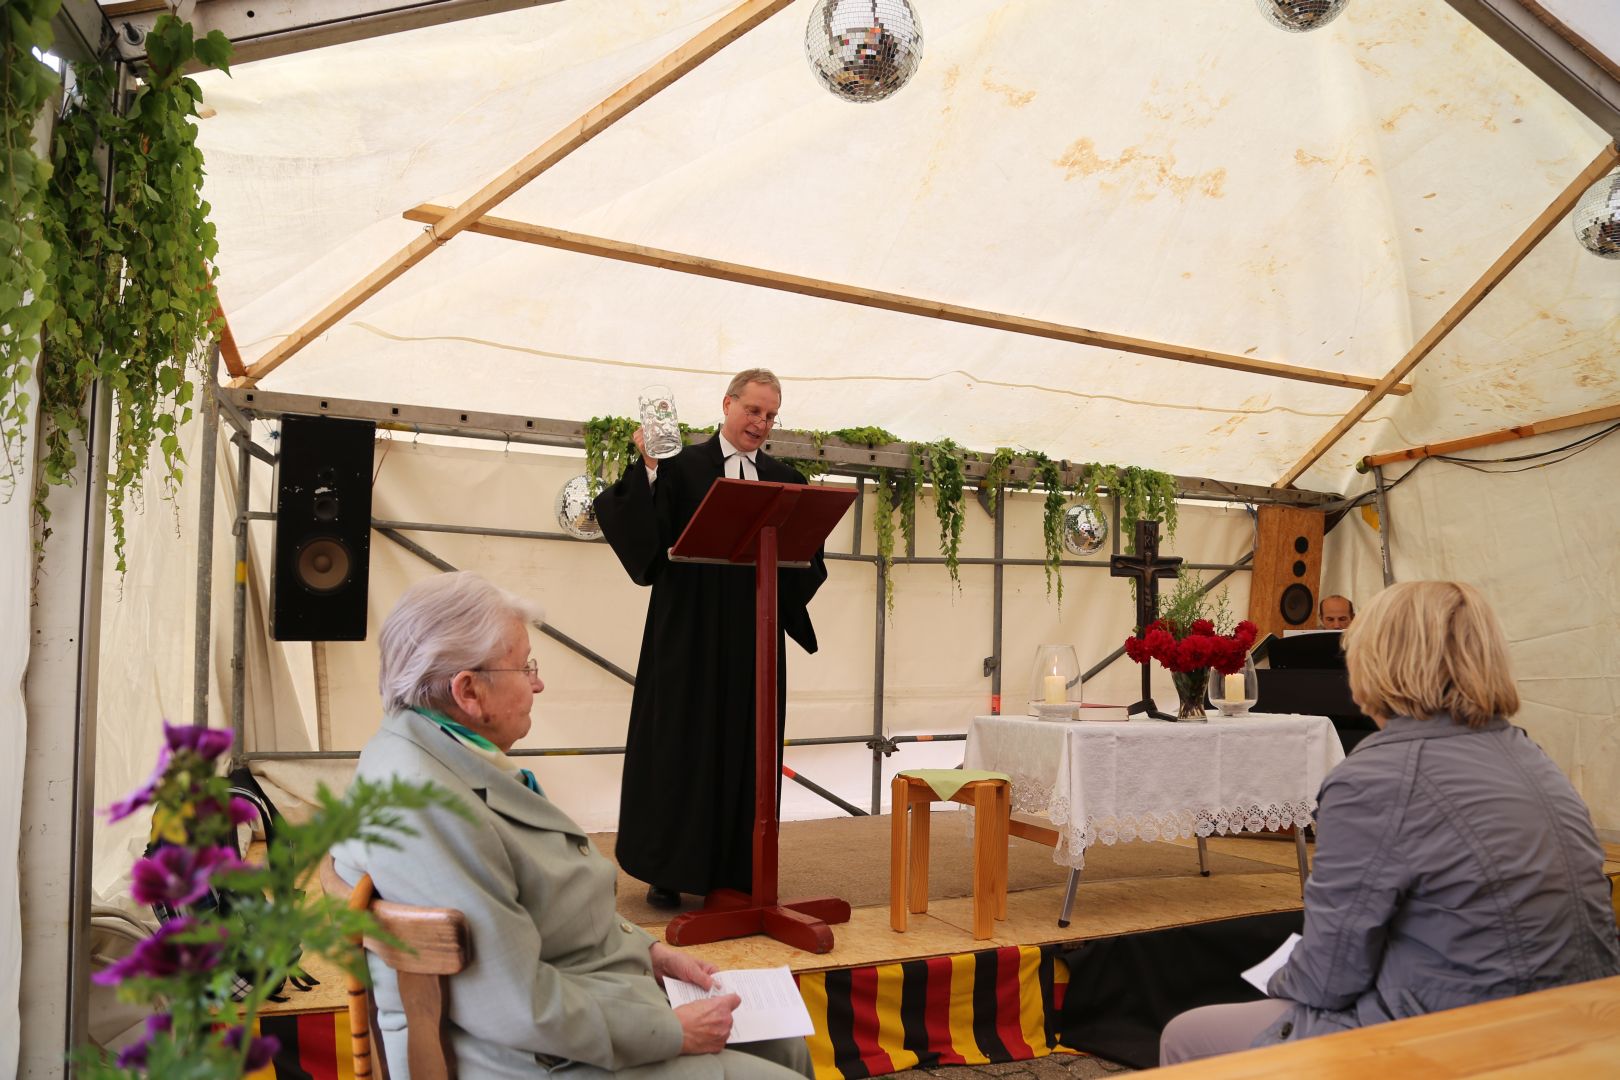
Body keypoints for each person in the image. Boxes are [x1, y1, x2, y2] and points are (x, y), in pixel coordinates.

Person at [333, 572, 814, 1079]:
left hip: (571, 1003)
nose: (537, 682)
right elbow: (512, 1003)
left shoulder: (439, 750)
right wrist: (673, 1031)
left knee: (781, 1041)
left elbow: (550, 906)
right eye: (525, 666)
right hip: (529, 1058)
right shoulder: (424, 802)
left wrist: (650, 953)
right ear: (468, 690)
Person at [1159, 580, 1620, 1066]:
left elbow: (1329, 976)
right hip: (1581, 1012)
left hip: (1466, 1031)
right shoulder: (1531, 755)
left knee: (1187, 1036)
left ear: (1373, 660)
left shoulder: (1375, 776)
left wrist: (1275, 979)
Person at [593, 370, 828, 910]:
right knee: (682, 742)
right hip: (688, 634)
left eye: (770, 416)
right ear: (727, 404)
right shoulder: (680, 466)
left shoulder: (784, 477)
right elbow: (643, 544)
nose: (760, 424)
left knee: (750, 746)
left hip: (754, 637)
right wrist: (650, 466)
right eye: (752, 411)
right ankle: (668, 869)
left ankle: (740, 870)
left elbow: (806, 559)